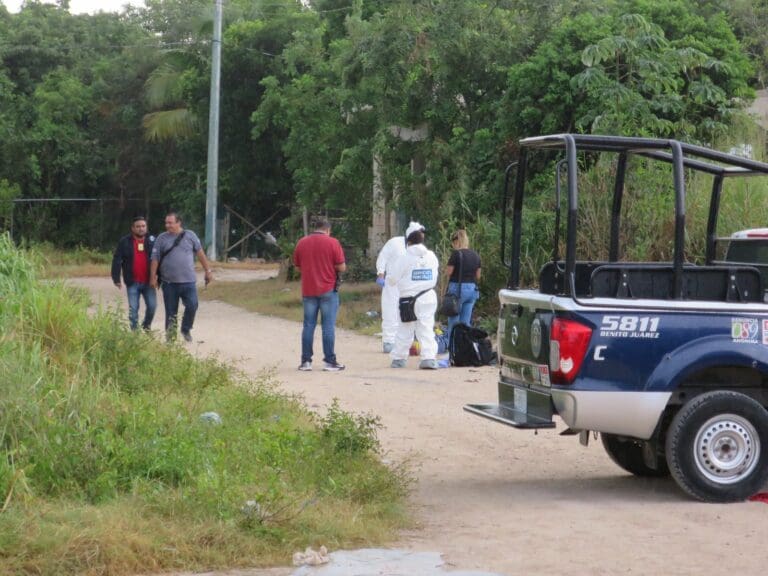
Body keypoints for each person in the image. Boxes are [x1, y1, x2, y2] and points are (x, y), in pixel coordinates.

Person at [149, 211, 214, 342]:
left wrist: (208, 270)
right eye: (166, 222)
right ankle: (171, 338)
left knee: (192, 305)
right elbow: (155, 258)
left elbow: (200, 254)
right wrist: (152, 277)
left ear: (178, 222)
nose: (167, 225)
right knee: (171, 312)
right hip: (169, 283)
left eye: (170, 223)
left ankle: (186, 328)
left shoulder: (190, 235)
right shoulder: (161, 238)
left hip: (188, 282)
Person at [293, 217, 347, 372]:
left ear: (314, 228)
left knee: (308, 325)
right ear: (328, 230)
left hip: (308, 290)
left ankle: (306, 361)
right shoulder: (333, 242)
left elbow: (297, 267)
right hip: (328, 290)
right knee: (328, 326)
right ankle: (329, 361)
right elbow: (341, 267)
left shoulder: (302, 242)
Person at [387, 222, 439, 369]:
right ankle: (428, 358)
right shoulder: (431, 256)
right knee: (426, 328)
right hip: (428, 296)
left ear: (407, 240)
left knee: (405, 329)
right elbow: (435, 275)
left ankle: (399, 358)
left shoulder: (403, 257)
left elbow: (392, 279)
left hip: (408, 299)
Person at [111, 216, 157, 331]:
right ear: (132, 228)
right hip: (132, 282)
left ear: (146, 227)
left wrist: (159, 278)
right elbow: (117, 259)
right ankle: (134, 334)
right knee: (133, 309)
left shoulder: (152, 240)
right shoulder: (124, 241)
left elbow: (159, 259)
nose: (141, 229)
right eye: (138, 226)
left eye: (143, 226)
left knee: (152, 307)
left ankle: (146, 325)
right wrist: (116, 278)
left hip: (148, 282)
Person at [375, 228, 412, 353]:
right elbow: (383, 257)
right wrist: (381, 274)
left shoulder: (417, 248)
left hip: (408, 284)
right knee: (390, 311)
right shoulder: (394, 243)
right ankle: (389, 341)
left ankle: (405, 341)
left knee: (407, 313)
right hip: (392, 283)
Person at [444, 229, 481, 345]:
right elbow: (478, 276)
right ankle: (464, 348)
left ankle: (452, 348)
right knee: (465, 323)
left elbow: (449, 272)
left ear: (456, 241)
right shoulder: (475, 255)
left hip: (457, 289)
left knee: (454, 322)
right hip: (472, 290)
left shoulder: (456, 254)